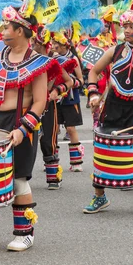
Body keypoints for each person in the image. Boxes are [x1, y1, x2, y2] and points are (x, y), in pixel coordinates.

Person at [0, 5, 59, 250]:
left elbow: (40, 101)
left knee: (18, 180)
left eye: (7, 26)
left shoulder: (38, 63)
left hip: (21, 125)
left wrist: (23, 129)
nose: (3, 30)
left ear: (20, 31)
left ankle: (25, 233)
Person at [86, 10, 133, 214]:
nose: (126, 30)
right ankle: (99, 197)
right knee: (103, 152)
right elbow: (93, 71)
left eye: (131, 27)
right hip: (113, 107)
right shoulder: (115, 51)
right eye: (124, 26)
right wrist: (93, 93)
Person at [31, 27, 74, 190]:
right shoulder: (26, 58)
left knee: (48, 141)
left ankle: (53, 177)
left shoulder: (53, 61)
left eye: (36, 42)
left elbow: (69, 81)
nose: (33, 45)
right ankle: (20, 178)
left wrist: (57, 90)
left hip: (48, 106)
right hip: (29, 105)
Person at [50, 33, 86, 172]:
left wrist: (69, 82)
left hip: (70, 98)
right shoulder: (51, 58)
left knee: (70, 129)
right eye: (52, 44)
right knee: (54, 129)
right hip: (54, 97)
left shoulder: (73, 58)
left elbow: (81, 81)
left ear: (65, 44)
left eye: (55, 44)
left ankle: (76, 162)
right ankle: (52, 160)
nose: (53, 46)